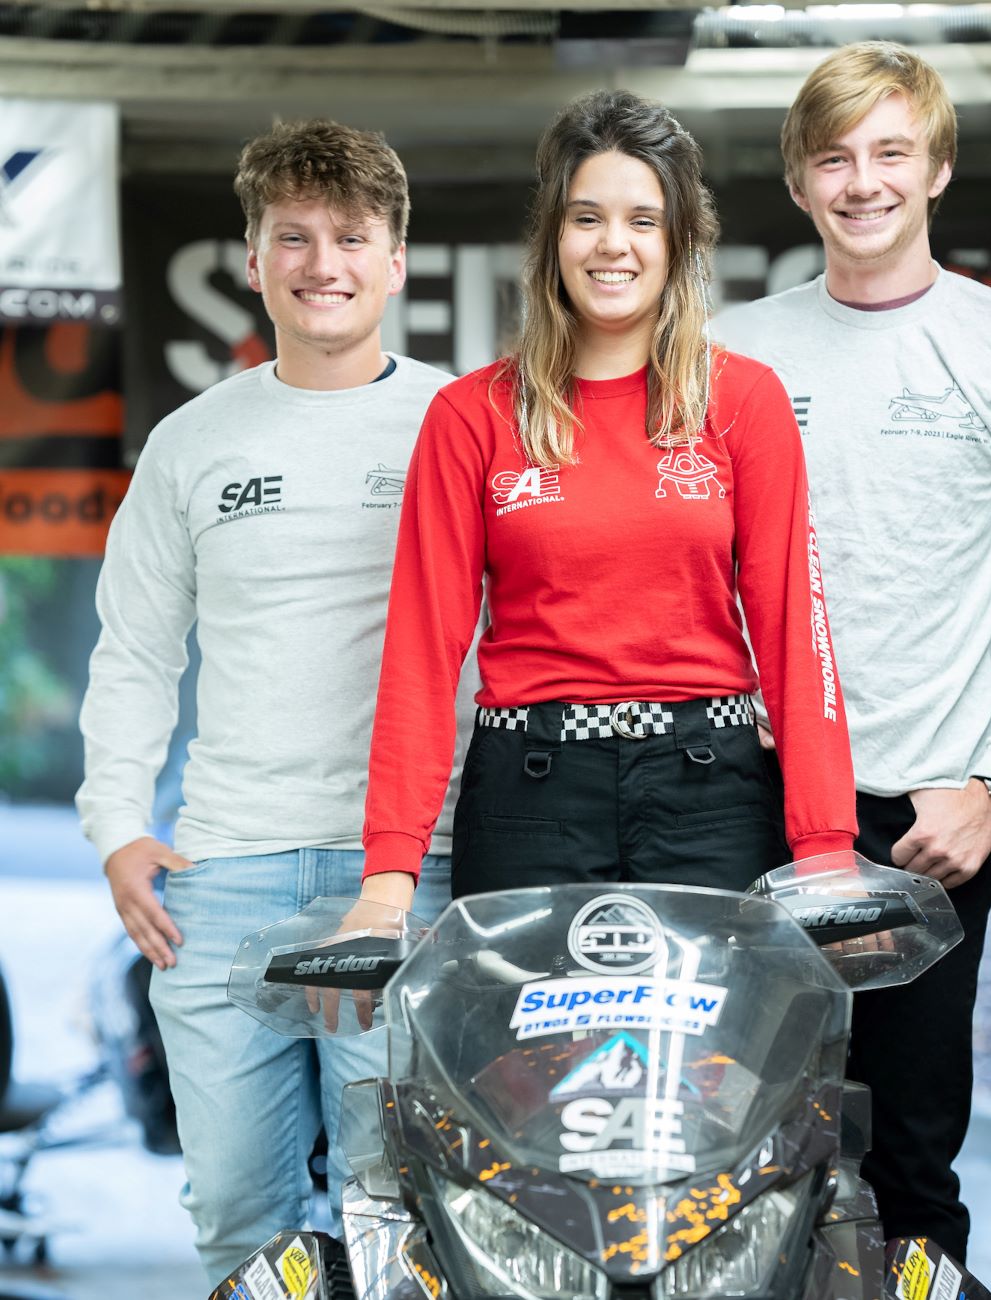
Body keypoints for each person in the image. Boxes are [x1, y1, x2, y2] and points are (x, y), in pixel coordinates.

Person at [716, 42, 991, 1262]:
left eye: (891, 152)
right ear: (797, 182)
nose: (864, 181)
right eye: (834, 157)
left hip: (922, 828)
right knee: (728, 1153)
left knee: (907, 1171)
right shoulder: (727, 350)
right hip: (746, 802)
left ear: (938, 166)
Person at [76, 119, 475, 1284]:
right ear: (253, 257)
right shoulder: (191, 444)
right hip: (223, 880)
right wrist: (116, 829)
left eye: (351, 236)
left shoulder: (460, 424)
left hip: (405, 873)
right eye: (291, 236)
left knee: (396, 1218)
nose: (322, 263)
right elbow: (134, 651)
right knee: (241, 1225)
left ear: (397, 259)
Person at [359, 90, 856, 906]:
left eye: (643, 220)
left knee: (715, 1043)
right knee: (535, 1043)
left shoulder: (744, 401)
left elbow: (795, 632)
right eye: (586, 218)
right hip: (529, 800)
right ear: (553, 238)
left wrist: (827, 843)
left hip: (712, 799)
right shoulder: (471, 414)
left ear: (679, 241)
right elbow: (419, 650)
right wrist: (389, 870)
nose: (612, 246)